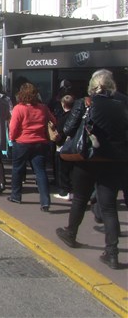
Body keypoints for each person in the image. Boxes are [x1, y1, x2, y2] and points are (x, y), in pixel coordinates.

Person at [55, 72, 128, 270]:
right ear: (111, 85)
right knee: (109, 207)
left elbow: (69, 128)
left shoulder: (85, 102)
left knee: (80, 198)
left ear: (92, 86)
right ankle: (112, 253)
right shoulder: (122, 104)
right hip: (114, 159)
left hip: (88, 157)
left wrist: (59, 137)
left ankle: (71, 233)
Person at [8, 82, 56, 211]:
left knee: (18, 169)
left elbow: (13, 127)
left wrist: (12, 139)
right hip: (40, 142)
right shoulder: (43, 108)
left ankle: (16, 195)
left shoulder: (19, 108)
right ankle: (45, 201)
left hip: (22, 142)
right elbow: (53, 121)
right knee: (40, 171)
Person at [53, 94, 75, 200]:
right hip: (73, 146)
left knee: (62, 170)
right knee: (71, 170)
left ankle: (64, 191)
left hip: (62, 145)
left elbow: (60, 132)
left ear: (63, 104)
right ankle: (71, 191)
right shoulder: (75, 116)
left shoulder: (62, 117)